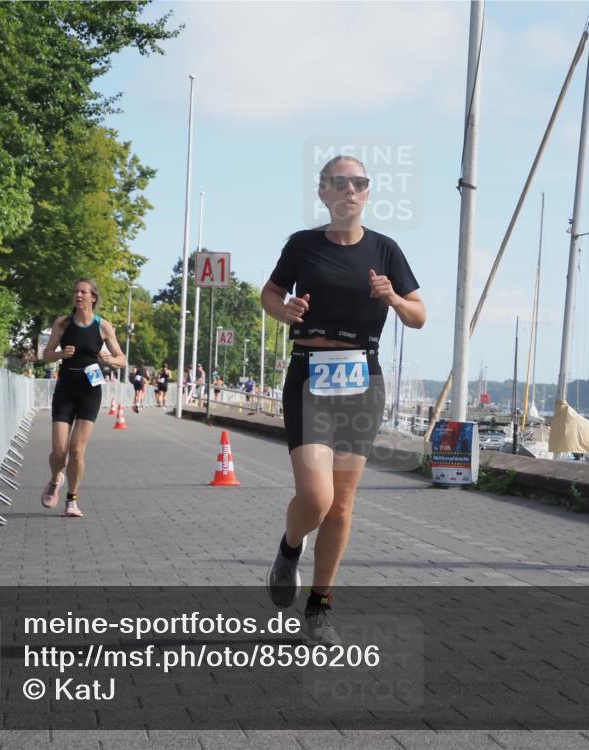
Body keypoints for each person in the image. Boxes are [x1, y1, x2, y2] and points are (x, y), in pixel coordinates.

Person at [261, 155, 426, 643]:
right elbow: (269, 294)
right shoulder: (303, 246)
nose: (349, 190)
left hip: (361, 380)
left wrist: (393, 298)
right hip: (309, 375)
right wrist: (284, 310)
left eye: (358, 183)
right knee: (316, 496)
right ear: (324, 193)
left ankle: (319, 606)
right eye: (340, 183)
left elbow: (419, 315)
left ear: (368, 193)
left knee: (341, 505)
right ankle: (290, 550)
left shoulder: (385, 250)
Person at [41, 279, 126, 518]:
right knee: (59, 452)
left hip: (90, 390)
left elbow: (122, 359)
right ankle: (55, 478)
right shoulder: (63, 323)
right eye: (75, 291)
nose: (78, 295)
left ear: (93, 298)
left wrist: (109, 359)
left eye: (83, 292)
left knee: (77, 450)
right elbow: (46, 355)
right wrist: (59, 353)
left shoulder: (103, 326)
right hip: (66, 388)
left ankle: (72, 499)